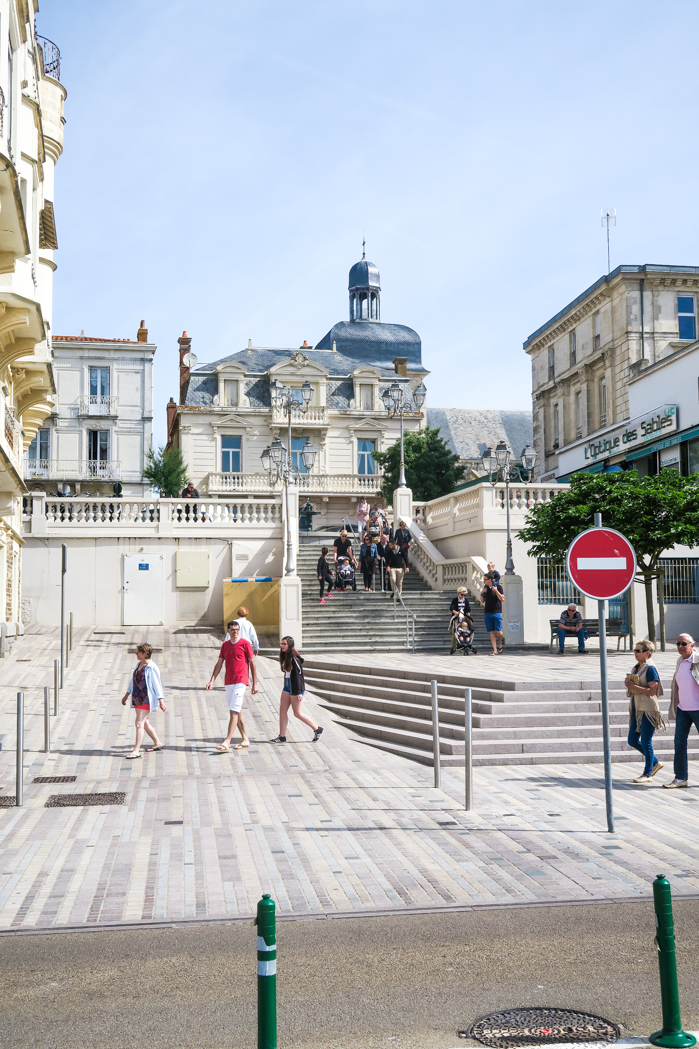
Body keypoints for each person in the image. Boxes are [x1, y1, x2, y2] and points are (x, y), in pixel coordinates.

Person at [206, 620, 258, 752]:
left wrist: (254, 684)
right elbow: (219, 664)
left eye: (237, 629)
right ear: (228, 631)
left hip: (241, 681)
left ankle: (227, 741)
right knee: (237, 710)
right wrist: (212, 680)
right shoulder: (225, 645)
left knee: (233, 712)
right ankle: (245, 739)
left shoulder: (245, 644)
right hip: (228, 682)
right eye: (233, 630)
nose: (235, 632)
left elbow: (252, 664)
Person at [625, 639, 665, 783]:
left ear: (647, 653)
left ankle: (647, 774)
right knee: (632, 740)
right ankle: (654, 762)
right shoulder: (637, 668)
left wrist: (633, 686)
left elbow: (652, 691)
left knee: (646, 741)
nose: (635, 653)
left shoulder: (650, 668)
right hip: (637, 708)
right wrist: (629, 684)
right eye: (635, 650)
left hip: (648, 709)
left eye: (638, 651)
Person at [271, 635, 323, 744]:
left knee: (297, 713)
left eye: (284, 644)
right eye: (282, 643)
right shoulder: (285, 655)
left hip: (296, 688)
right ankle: (282, 736)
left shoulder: (294, 657)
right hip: (287, 686)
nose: (282, 646)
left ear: (290, 645)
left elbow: (299, 675)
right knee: (282, 710)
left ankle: (317, 729)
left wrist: (299, 692)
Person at [664, 632, 699, 788]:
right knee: (679, 742)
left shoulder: (697, 661)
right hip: (683, 709)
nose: (680, 646)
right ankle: (680, 778)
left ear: (692, 645)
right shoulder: (680, 661)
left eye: (684, 644)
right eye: (678, 643)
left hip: (698, 708)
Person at [121, 643, 167, 759]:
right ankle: (157, 742)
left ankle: (136, 750)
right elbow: (133, 681)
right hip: (137, 698)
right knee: (145, 723)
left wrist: (161, 701)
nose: (136, 653)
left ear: (145, 653)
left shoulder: (152, 667)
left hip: (145, 698)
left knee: (138, 723)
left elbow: (157, 685)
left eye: (138, 651)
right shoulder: (139, 664)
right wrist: (126, 695)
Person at [480, 571, 505, 655]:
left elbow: (502, 599)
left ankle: (500, 643)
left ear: (490, 580)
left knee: (499, 632)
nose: (484, 581)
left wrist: (496, 591)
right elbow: (482, 601)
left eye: (485, 580)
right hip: (488, 612)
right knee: (491, 632)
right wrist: (482, 593)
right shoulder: (486, 589)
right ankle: (494, 650)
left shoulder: (499, 587)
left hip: (497, 612)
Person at [449, 586, 471, 653]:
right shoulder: (455, 600)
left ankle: (463, 644)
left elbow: (468, 609)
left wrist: (468, 613)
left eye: (464, 595)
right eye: (462, 594)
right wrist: (455, 612)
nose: (463, 596)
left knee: (464, 631)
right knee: (454, 632)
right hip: (456, 618)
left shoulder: (466, 601)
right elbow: (451, 608)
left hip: (463, 620)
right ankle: (453, 647)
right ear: (458, 593)